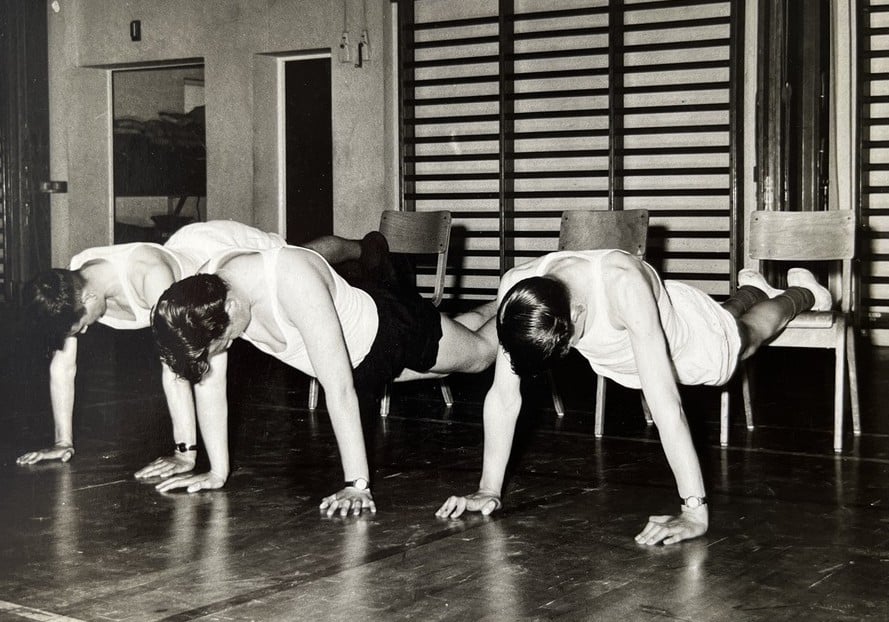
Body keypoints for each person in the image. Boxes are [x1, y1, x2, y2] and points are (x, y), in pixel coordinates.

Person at [436, 248, 833, 546]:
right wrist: (488, 489)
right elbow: (505, 396)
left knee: (744, 338)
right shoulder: (517, 289)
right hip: (641, 334)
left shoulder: (622, 284)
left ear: (576, 310)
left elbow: (667, 406)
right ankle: (753, 288)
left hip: (684, 345)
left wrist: (694, 510)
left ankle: (804, 292)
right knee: (728, 316)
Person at [151, 244, 499, 517]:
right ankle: (498, 304)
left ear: (229, 307)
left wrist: (357, 484)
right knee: (462, 337)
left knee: (480, 356)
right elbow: (211, 384)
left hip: (391, 335)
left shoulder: (291, 278)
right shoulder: (203, 292)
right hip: (360, 365)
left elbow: (339, 388)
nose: (227, 347)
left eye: (224, 341)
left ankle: (521, 296)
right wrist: (217, 472)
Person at [16, 220, 369, 480]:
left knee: (299, 256)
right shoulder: (71, 283)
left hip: (214, 247)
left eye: (80, 326)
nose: (85, 331)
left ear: (89, 299)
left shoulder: (150, 278)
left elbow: (180, 371)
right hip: (185, 252)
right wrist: (63, 441)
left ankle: (366, 250)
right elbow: (63, 367)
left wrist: (185, 453)